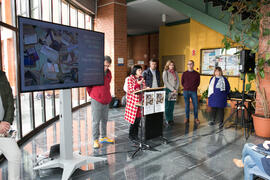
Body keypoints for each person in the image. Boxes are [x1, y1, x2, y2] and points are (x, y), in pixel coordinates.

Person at [86, 56, 114, 149]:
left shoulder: (109, 73)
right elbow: (88, 85)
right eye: (104, 65)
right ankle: (95, 140)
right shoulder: (95, 73)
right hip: (96, 99)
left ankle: (103, 137)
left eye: (108, 66)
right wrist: (94, 95)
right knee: (96, 121)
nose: (106, 68)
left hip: (106, 99)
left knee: (104, 119)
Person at [0, 70, 21, 180]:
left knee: (15, 155)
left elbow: (9, 98)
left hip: (3, 128)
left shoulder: (1, 75)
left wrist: (6, 123)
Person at [124, 65, 146, 142]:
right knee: (134, 120)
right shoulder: (130, 79)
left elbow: (143, 88)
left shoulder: (141, 78)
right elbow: (129, 89)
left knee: (138, 120)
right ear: (135, 71)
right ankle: (131, 135)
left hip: (140, 102)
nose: (141, 72)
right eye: (139, 70)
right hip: (133, 103)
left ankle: (136, 135)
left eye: (141, 70)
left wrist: (146, 88)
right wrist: (137, 83)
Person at [181, 60, 200, 125]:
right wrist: (186, 87)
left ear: (193, 65)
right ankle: (187, 118)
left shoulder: (197, 74)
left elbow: (198, 83)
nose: (190, 65)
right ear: (187, 65)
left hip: (193, 91)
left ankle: (196, 118)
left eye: (191, 64)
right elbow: (182, 82)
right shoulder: (184, 73)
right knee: (187, 105)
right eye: (188, 64)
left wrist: (193, 88)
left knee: (195, 105)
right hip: (186, 91)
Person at [162, 60, 180, 126]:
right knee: (167, 106)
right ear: (167, 65)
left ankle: (171, 119)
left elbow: (178, 81)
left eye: (172, 65)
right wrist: (172, 89)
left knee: (172, 106)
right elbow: (165, 82)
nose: (171, 66)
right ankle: (167, 119)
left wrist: (176, 89)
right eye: (170, 65)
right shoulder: (165, 72)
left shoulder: (175, 72)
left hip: (174, 90)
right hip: (167, 90)